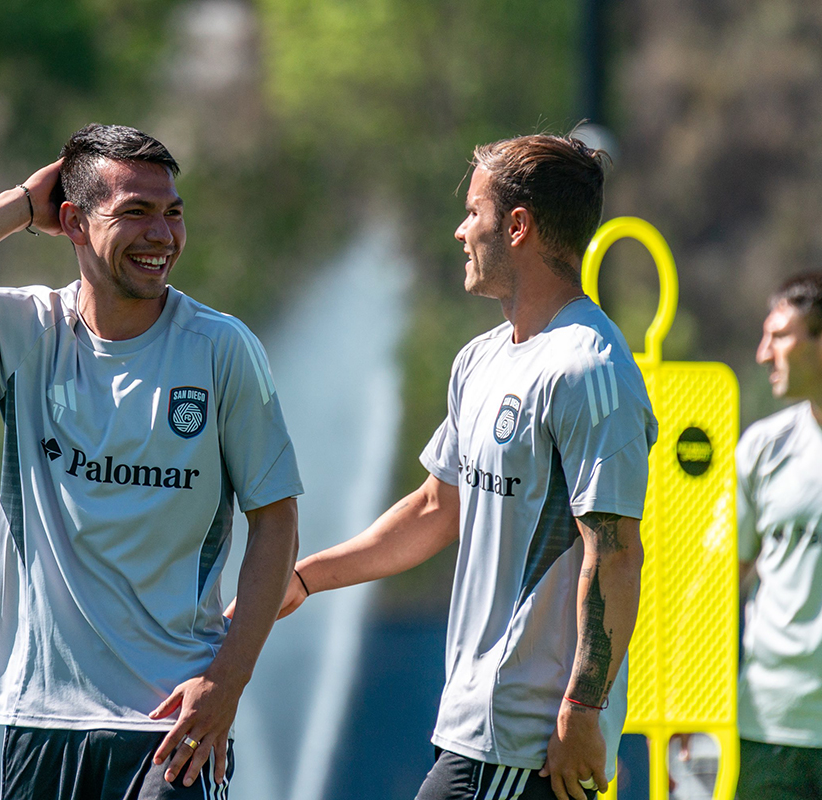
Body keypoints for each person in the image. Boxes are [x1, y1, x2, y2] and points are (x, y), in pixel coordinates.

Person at [0, 123, 302, 799]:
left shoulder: (221, 350)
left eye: (173, 213)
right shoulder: (27, 332)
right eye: (134, 213)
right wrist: (17, 207)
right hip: (41, 718)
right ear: (72, 221)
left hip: (172, 723)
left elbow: (275, 519)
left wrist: (226, 681)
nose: (162, 235)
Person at [268, 134, 656, 800]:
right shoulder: (480, 359)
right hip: (475, 729)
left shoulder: (590, 370)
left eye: (472, 213)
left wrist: (581, 712)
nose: (459, 231)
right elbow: (433, 509)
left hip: (532, 743)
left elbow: (615, 555)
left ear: (517, 226)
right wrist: (304, 579)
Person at [735, 272, 822, 799]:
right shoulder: (761, 449)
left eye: (778, 337)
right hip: (766, 733)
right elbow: (720, 589)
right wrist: (694, 706)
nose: (761, 354)